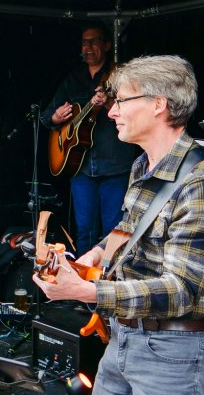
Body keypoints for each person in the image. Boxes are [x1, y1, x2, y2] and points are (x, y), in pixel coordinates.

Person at [33, 55, 204, 394]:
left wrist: (87, 291)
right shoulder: (142, 165)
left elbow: (181, 290)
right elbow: (128, 230)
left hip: (175, 354)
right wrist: (94, 257)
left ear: (159, 104)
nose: (112, 111)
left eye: (121, 101)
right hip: (123, 340)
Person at [41, 22, 138, 255]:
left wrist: (108, 103)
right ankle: (83, 284)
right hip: (81, 169)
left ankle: (108, 284)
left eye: (94, 41)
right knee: (84, 231)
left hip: (114, 166)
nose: (88, 47)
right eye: (85, 42)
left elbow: (136, 115)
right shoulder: (72, 80)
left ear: (106, 45)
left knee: (113, 232)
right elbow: (45, 116)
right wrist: (55, 117)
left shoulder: (119, 77)